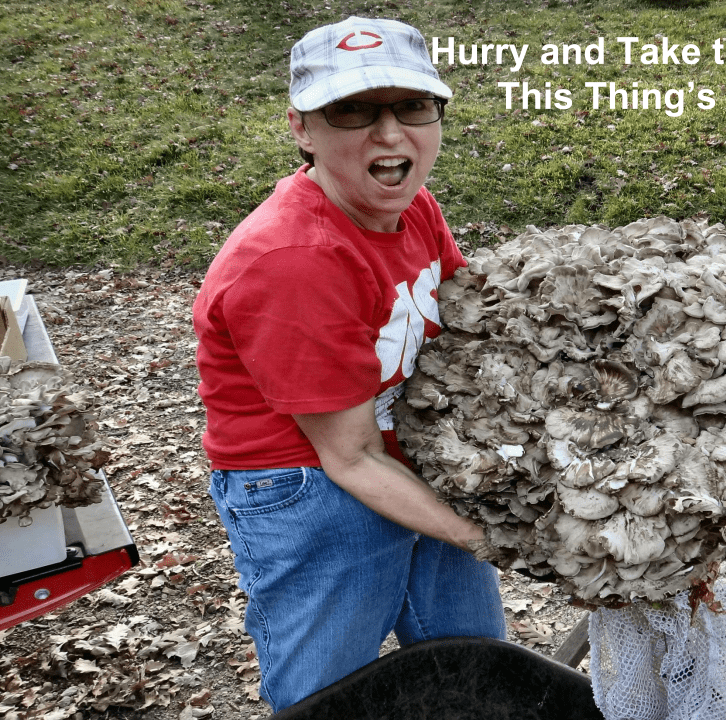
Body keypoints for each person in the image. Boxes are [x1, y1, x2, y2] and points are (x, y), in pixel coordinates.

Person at [192, 16, 506, 712]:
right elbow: (350, 457)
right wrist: (488, 534)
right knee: (327, 696)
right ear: (304, 128)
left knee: (479, 670)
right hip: (309, 485)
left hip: (409, 451)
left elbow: (470, 321)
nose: (390, 134)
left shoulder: (414, 205)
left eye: (412, 106)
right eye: (354, 110)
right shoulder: (293, 262)